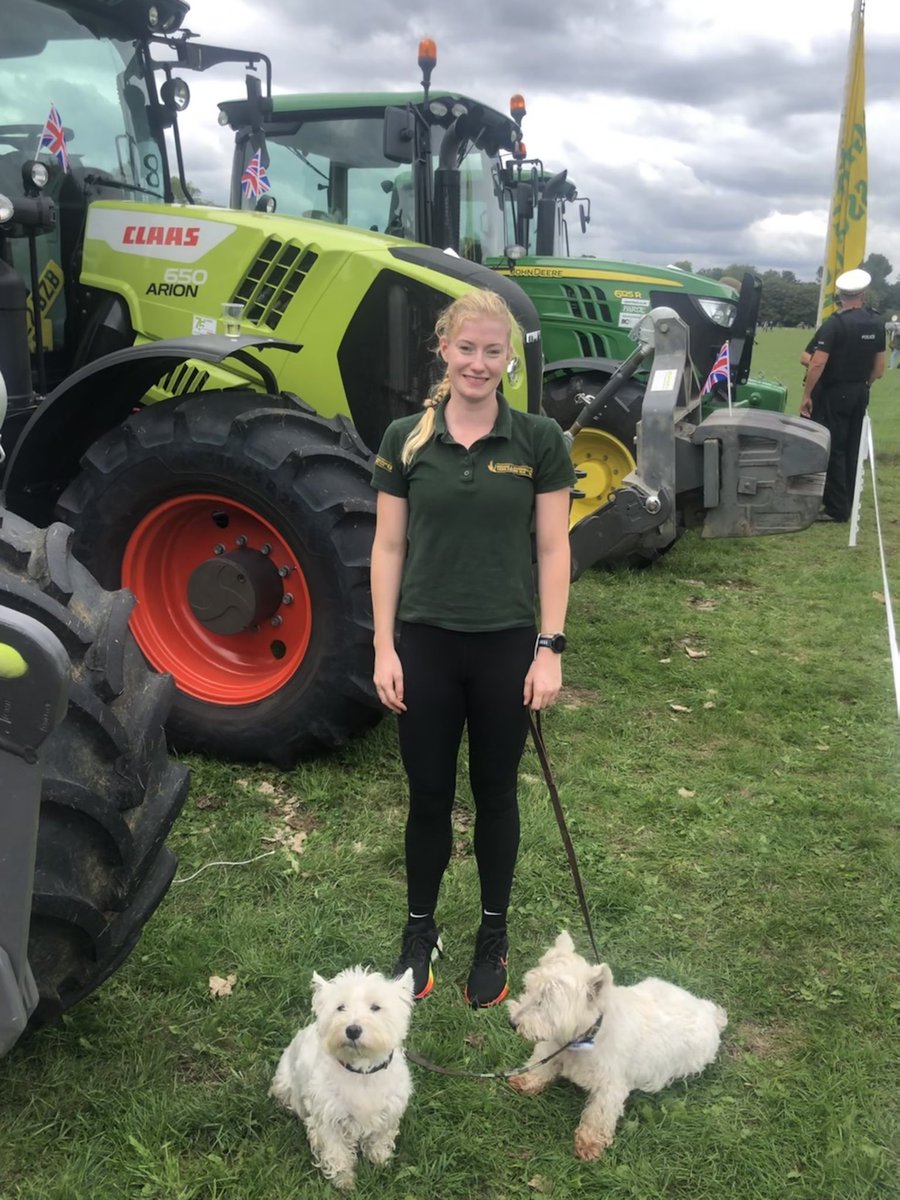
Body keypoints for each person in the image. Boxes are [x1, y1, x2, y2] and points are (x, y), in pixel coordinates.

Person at [370, 289, 575, 1008]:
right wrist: (383, 648)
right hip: (423, 643)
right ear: (444, 351)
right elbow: (388, 545)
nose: (479, 363)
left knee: (494, 793)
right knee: (427, 795)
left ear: (508, 360)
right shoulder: (406, 438)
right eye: (467, 348)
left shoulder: (539, 441)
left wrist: (548, 647)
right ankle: (418, 932)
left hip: (505, 646)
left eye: (494, 351)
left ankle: (493, 934)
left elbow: (553, 548)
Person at [800, 268, 885, 523]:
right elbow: (879, 369)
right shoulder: (877, 322)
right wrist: (862, 384)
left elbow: (816, 364)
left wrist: (806, 394)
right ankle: (848, 499)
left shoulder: (836, 323)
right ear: (864, 293)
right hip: (860, 390)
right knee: (852, 445)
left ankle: (837, 508)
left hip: (834, 392)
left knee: (833, 448)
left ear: (840, 295)